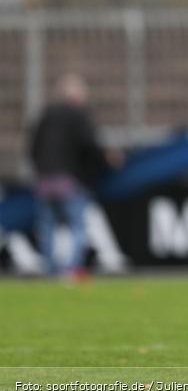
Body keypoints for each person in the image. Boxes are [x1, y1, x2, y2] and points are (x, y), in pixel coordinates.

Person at [29, 73, 116, 279]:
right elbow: (90, 146)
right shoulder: (79, 116)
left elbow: (33, 148)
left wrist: (41, 171)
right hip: (68, 180)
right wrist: (106, 161)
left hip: (44, 180)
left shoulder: (46, 114)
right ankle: (71, 270)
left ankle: (50, 271)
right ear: (77, 96)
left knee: (47, 226)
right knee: (78, 225)